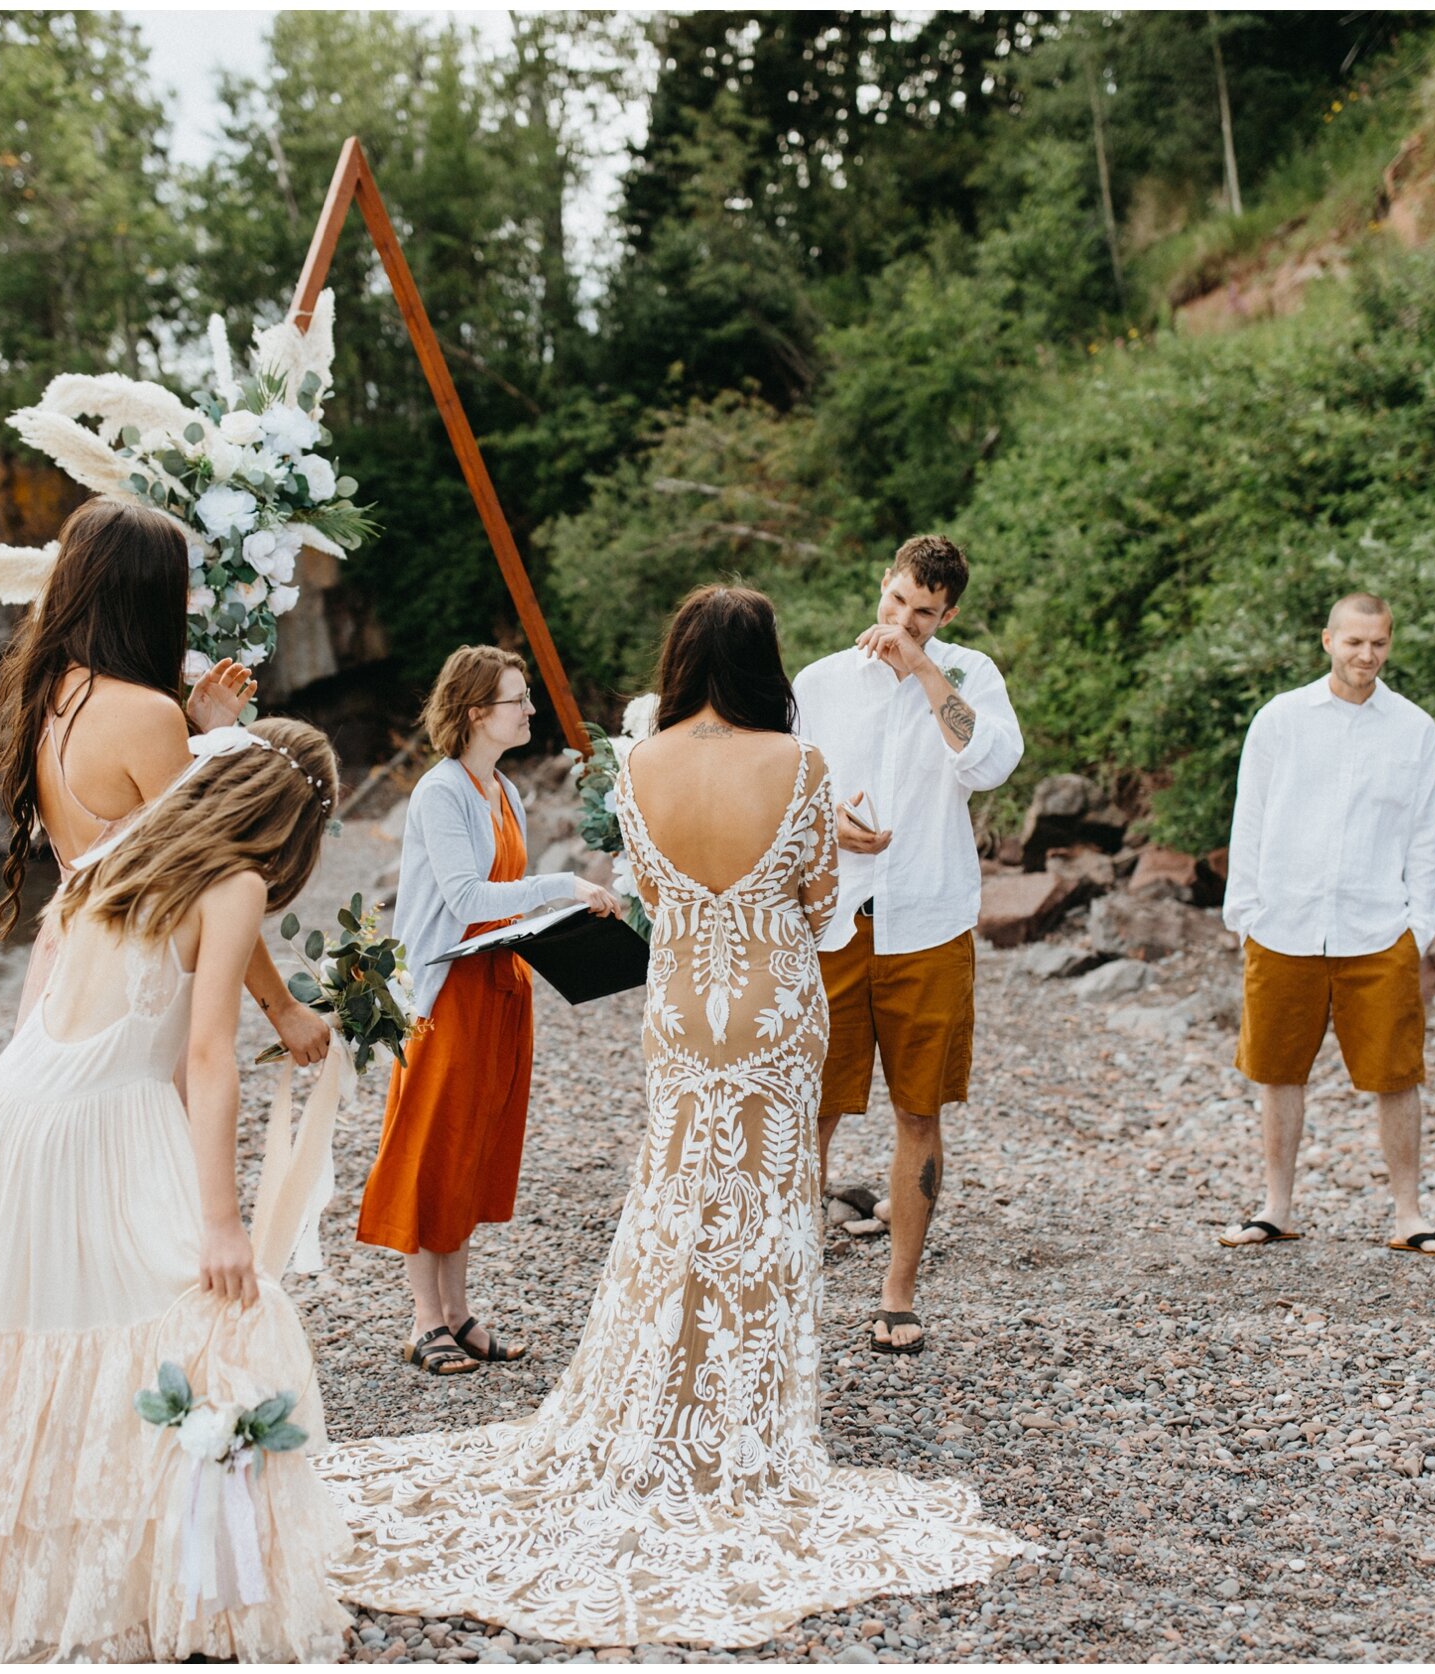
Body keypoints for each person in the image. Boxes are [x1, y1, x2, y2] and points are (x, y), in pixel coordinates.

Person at [319, 587, 1030, 1650]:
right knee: (759, 1206)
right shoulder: (798, 768)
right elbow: (818, 900)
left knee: (676, 1193)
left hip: (684, 1008)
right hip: (771, 1004)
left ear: (680, 656)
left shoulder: (640, 764)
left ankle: (654, 1392)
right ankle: (739, 1416)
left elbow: (642, 882)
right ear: (763, 663)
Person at [0, 718, 355, 1662]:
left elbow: (50, 970)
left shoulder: (119, 847)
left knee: (35, 1326)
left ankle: (31, 1590)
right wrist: (221, 1220)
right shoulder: (235, 883)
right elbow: (209, 1053)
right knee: (209, 1319)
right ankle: (194, 1586)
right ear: (292, 822)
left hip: (17, 1103)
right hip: (98, 1113)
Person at [0, 494, 331, 1067]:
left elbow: (121, 825)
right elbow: (207, 879)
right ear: (151, 598)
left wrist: (197, 729)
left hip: (65, 959)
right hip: (127, 969)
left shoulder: (42, 695)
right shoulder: (146, 715)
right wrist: (285, 1010)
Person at [355, 647, 619, 1376]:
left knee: (475, 1147)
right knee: (433, 1145)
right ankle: (422, 1321)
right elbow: (467, 899)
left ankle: (459, 1313)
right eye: (518, 699)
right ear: (477, 712)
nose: (530, 710)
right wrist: (565, 884)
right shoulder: (441, 793)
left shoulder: (503, 790)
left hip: (500, 986)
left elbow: (496, 905)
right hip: (448, 994)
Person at [792, 535, 1022, 1354]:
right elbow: (785, 789)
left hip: (928, 919)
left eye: (923, 613)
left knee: (918, 1109)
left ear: (947, 613)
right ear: (881, 585)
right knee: (811, 1111)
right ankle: (792, 1290)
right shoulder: (818, 682)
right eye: (895, 602)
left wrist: (927, 671)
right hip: (833, 920)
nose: (901, 620)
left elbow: (992, 763)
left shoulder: (969, 676)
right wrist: (829, 827)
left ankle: (897, 1291)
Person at [1218, 592, 1435, 1256]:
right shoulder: (1280, 719)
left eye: (1378, 643)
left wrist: (1420, 925)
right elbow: (1251, 817)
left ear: (1390, 644)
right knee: (1278, 1070)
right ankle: (1275, 1207)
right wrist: (1245, 914)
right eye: (1354, 641)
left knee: (1396, 1073)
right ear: (1327, 640)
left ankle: (1409, 1214)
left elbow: (1424, 835)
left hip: (1378, 928)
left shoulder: (1414, 728)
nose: (1366, 654)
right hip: (1284, 924)